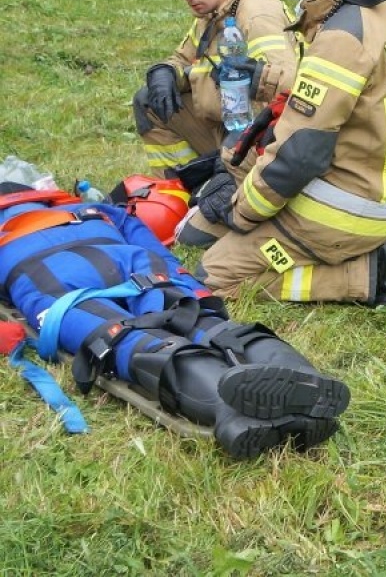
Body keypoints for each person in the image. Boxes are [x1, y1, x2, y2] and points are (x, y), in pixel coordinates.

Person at [181, 0, 386, 306]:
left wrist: (242, 214)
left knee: (213, 276)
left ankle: (365, 275)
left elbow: (299, 155)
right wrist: (265, 79)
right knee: (209, 216)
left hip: (345, 210)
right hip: (381, 190)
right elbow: (341, 98)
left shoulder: (342, 37)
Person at [0, 187, 349, 459]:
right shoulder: (91, 209)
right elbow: (143, 235)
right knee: (200, 320)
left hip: (52, 280)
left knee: (125, 340)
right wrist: (179, 281)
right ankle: (306, 381)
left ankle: (228, 411)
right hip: (131, 261)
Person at [133, 0, 297, 177]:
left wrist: (195, 77)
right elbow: (183, 58)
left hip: (261, 136)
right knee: (149, 100)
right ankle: (184, 182)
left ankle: (213, 181)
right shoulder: (216, 10)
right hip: (226, 119)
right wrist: (165, 71)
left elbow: (284, 90)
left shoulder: (257, 16)